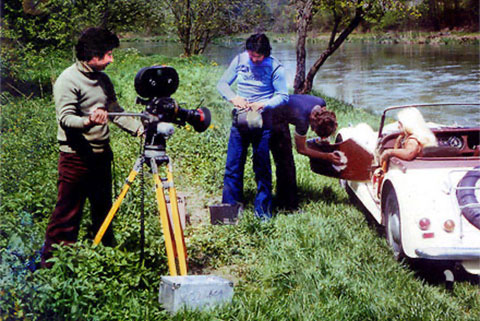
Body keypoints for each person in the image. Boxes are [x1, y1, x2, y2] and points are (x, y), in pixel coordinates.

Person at [41, 27, 143, 268]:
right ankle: (53, 265)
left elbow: (115, 112)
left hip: (101, 156)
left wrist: (140, 129)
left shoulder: (103, 80)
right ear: (92, 54)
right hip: (76, 157)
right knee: (67, 215)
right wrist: (88, 121)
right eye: (107, 54)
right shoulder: (68, 79)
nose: (111, 59)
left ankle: (102, 257)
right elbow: (65, 118)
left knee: (103, 210)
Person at [217, 33, 289, 220]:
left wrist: (264, 103)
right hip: (240, 119)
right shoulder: (240, 60)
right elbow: (222, 83)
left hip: (262, 120)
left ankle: (263, 212)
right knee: (233, 164)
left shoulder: (276, 67)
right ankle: (230, 209)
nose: (254, 59)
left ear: (265, 53)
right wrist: (233, 98)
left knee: (262, 166)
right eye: (251, 55)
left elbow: (283, 95)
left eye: (257, 56)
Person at [270, 94, 343, 210]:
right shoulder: (302, 119)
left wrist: (322, 141)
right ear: (312, 125)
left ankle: (283, 198)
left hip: (281, 106)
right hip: (271, 118)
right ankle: (287, 206)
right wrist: (326, 156)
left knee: (286, 160)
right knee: (286, 163)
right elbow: (301, 149)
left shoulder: (321, 103)